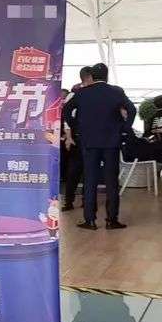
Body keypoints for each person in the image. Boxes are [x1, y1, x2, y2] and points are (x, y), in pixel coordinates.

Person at [62, 63, 135, 230]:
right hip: (111, 142)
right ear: (107, 76)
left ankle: (90, 220)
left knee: (90, 180)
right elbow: (131, 110)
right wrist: (124, 128)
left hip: (89, 142)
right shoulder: (116, 92)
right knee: (112, 181)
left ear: (92, 77)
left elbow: (66, 111)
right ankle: (112, 219)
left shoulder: (82, 93)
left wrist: (77, 126)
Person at [61, 66, 93, 211]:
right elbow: (67, 119)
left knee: (88, 172)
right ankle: (69, 201)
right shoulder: (75, 94)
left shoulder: (89, 93)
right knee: (74, 171)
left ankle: (86, 200)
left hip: (86, 138)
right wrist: (69, 137)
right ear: (89, 77)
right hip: (78, 139)